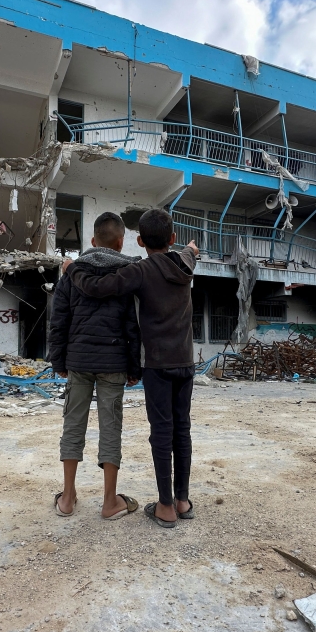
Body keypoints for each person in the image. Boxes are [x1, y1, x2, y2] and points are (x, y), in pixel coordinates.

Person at [64, 209, 200, 529]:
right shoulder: (186, 262)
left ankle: (165, 507)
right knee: (183, 429)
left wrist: (72, 271)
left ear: (139, 241)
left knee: (162, 432)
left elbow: (99, 288)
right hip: (185, 361)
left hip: (156, 364)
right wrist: (191, 249)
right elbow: (191, 252)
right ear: (173, 239)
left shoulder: (140, 271)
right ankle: (182, 499)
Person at [48, 211, 142, 520]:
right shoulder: (127, 275)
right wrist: (134, 367)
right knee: (110, 427)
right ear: (120, 241)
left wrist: (58, 360)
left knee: (73, 424)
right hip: (114, 363)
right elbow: (133, 326)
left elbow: (58, 322)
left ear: (92, 241)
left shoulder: (72, 274)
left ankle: (67, 498)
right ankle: (109, 501)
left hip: (77, 362)